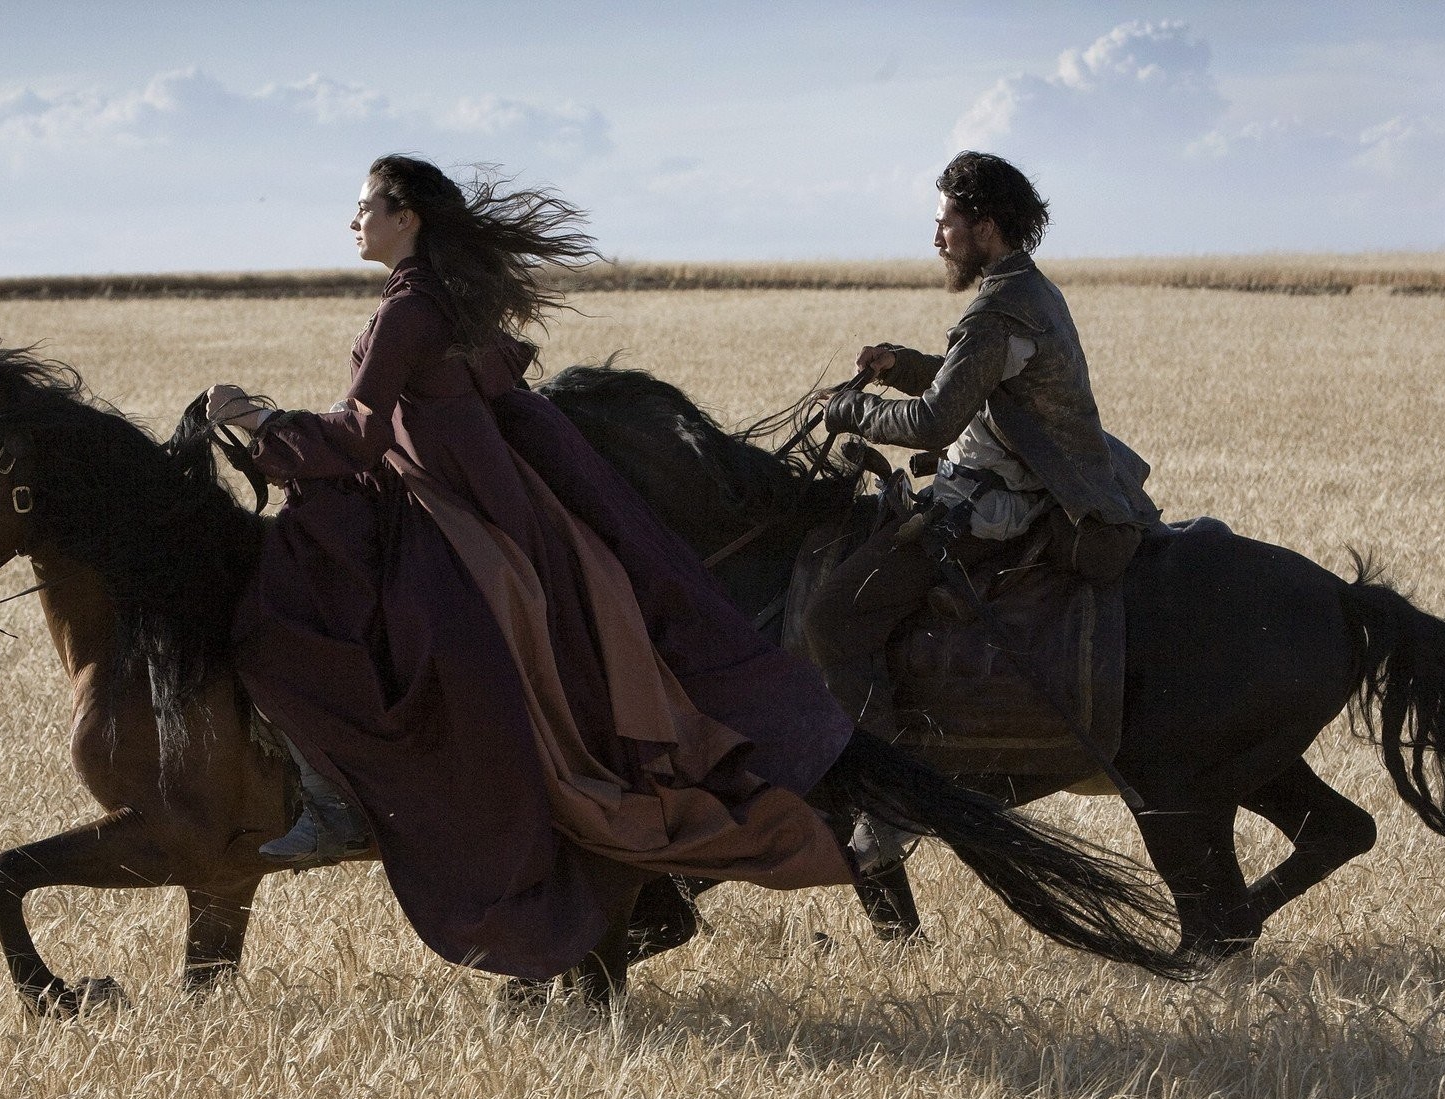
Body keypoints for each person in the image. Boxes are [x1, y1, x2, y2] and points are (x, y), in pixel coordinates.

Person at [203, 154, 858, 982]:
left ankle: (331, 800)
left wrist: (259, 421)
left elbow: (361, 431)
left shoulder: (409, 306)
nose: (353, 219)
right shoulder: (444, 296)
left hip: (446, 506)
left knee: (297, 593)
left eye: (365, 205)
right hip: (483, 501)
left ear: (407, 217)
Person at [804, 151, 1161, 743]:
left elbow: (933, 423)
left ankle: (892, 790)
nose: (937, 238)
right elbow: (976, 380)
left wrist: (853, 410)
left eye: (946, 222)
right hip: (1042, 487)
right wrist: (903, 365)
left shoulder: (997, 311)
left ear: (985, 226)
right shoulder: (1030, 289)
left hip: (993, 508)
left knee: (833, 618)